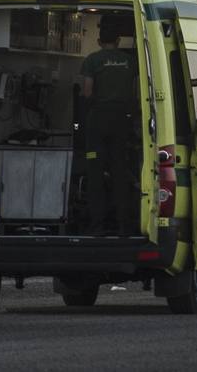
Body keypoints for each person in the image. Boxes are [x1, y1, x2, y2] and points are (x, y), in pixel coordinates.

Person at [79, 13, 139, 235]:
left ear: (98, 41)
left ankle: (97, 227)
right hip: (121, 121)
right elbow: (136, 93)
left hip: (98, 121)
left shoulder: (92, 60)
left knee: (95, 173)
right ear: (118, 41)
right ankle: (123, 225)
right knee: (119, 172)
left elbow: (87, 91)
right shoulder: (131, 61)